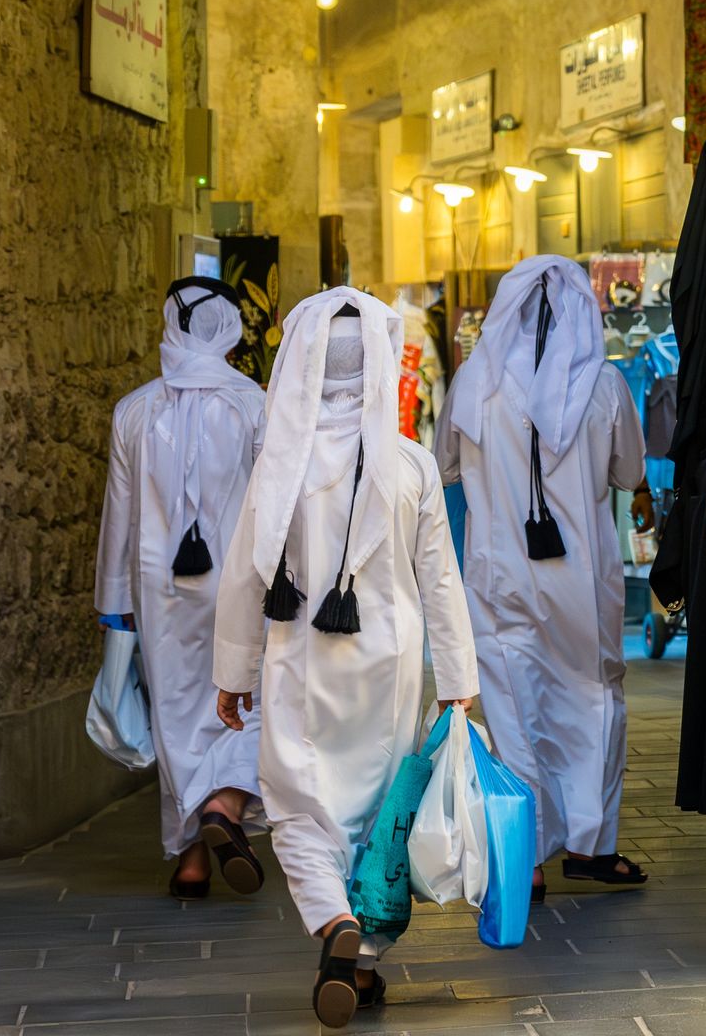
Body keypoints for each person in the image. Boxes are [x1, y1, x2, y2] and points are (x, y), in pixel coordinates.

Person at [212, 289, 477, 1029]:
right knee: (376, 814)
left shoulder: (279, 466)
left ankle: (333, 923)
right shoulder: (413, 466)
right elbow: (440, 577)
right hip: (388, 668)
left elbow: (244, 571)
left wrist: (232, 672)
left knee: (297, 805)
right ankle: (358, 966)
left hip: (299, 659)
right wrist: (457, 681)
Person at [437, 255, 647, 887]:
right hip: (581, 583)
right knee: (591, 701)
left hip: (499, 577)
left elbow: (443, 465)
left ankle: (524, 855)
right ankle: (590, 846)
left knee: (514, 705)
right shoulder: (604, 386)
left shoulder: (474, 384)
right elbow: (630, 474)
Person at [94, 276, 269, 899]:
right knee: (246, 701)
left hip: (158, 590)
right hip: (240, 586)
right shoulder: (254, 404)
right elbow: (275, 507)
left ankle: (191, 858)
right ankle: (225, 804)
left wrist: (114, 605)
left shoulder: (135, 410)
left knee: (176, 715)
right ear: (228, 328)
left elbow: (119, 514)